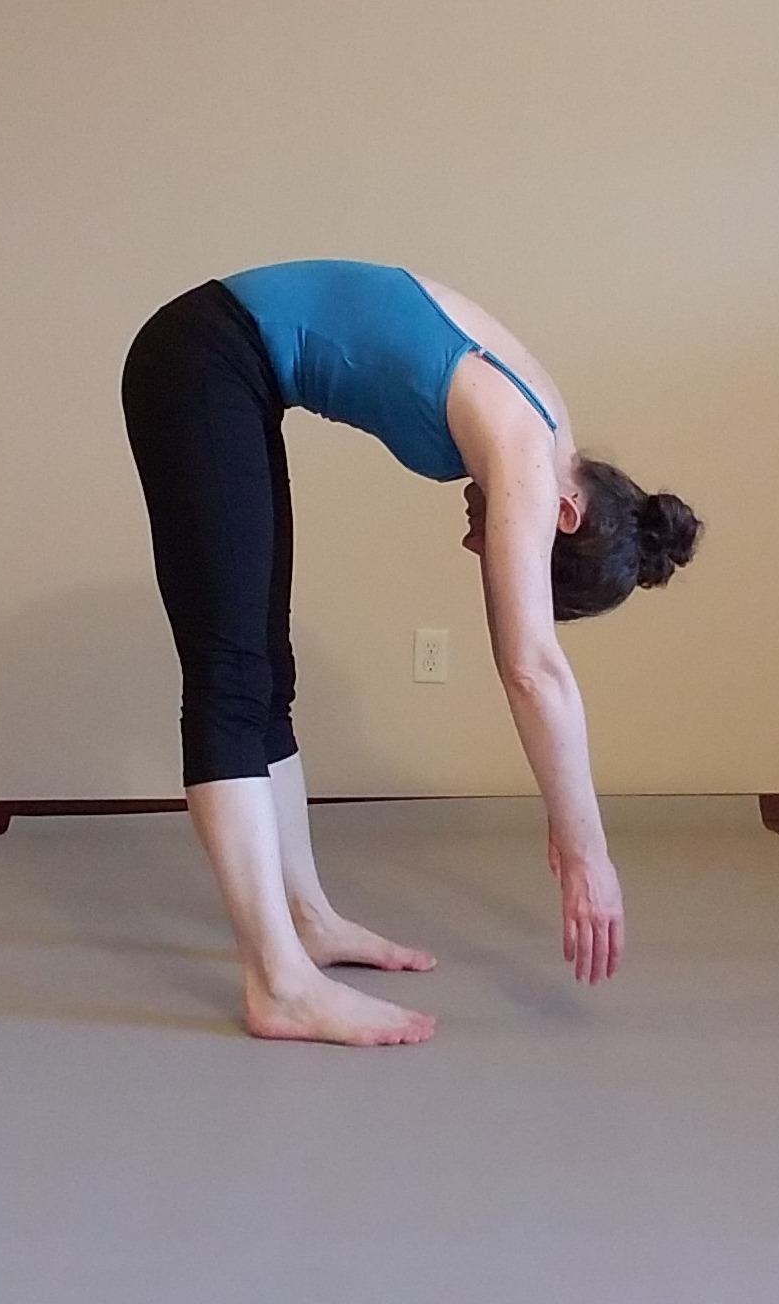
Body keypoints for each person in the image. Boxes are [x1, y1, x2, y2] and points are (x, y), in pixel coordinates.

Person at [121, 260, 702, 1047]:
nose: (479, 540)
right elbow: (533, 669)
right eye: (498, 539)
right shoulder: (531, 460)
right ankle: (280, 984)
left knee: (266, 672)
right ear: (565, 516)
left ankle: (307, 919)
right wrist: (586, 853)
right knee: (229, 673)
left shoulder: (550, 430)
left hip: (228, 369)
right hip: (200, 358)